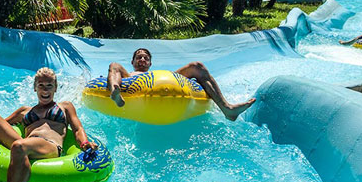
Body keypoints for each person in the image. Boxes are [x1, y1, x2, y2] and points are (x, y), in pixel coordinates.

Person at [106, 48, 255, 121]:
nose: (143, 60)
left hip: (161, 83)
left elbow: (170, 79)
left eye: (146, 58)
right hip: (133, 85)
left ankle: (227, 108)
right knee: (114, 65)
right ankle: (115, 92)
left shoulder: (158, 75)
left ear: (150, 63)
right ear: (132, 62)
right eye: (139, 57)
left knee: (197, 66)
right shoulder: (128, 74)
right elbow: (115, 69)